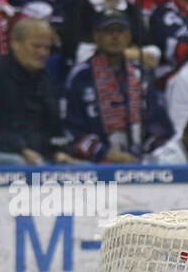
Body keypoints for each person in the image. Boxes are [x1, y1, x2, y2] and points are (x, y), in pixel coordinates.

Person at [64, 9, 172, 162]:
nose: (115, 36)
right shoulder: (80, 77)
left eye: (120, 31)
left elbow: (158, 125)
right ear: (96, 36)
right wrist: (106, 153)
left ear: (128, 36)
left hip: (140, 161)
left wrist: (147, 153)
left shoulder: (141, 75)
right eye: (108, 31)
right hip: (93, 163)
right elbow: (70, 131)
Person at [0, 17, 75, 163]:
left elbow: (56, 131)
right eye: (36, 46)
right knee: (16, 162)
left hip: (41, 158)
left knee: (85, 167)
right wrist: (20, 150)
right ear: (15, 43)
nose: (43, 53)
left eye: (47, 48)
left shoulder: (46, 80)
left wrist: (60, 151)